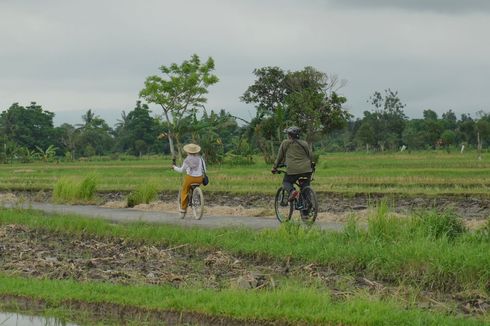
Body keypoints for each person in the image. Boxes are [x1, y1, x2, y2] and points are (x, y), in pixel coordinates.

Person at [271, 126, 314, 201]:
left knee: (286, 182)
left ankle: (292, 192)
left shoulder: (285, 143)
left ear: (289, 135)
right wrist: (311, 166)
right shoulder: (304, 143)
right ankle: (306, 208)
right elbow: (310, 156)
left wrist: (275, 167)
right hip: (307, 170)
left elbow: (279, 157)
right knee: (305, 188)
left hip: (292, 170)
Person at [172, 143, 206, 218]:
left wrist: (174, 167)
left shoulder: (187, 160)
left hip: (190, 178)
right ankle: (196, 198)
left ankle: (183, 210)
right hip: (200, 179)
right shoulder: (201, 159)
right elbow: (205, 170)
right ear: (196, 152)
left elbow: (181, 170)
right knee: (194, 186)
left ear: (188, 152)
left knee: (184, 191)